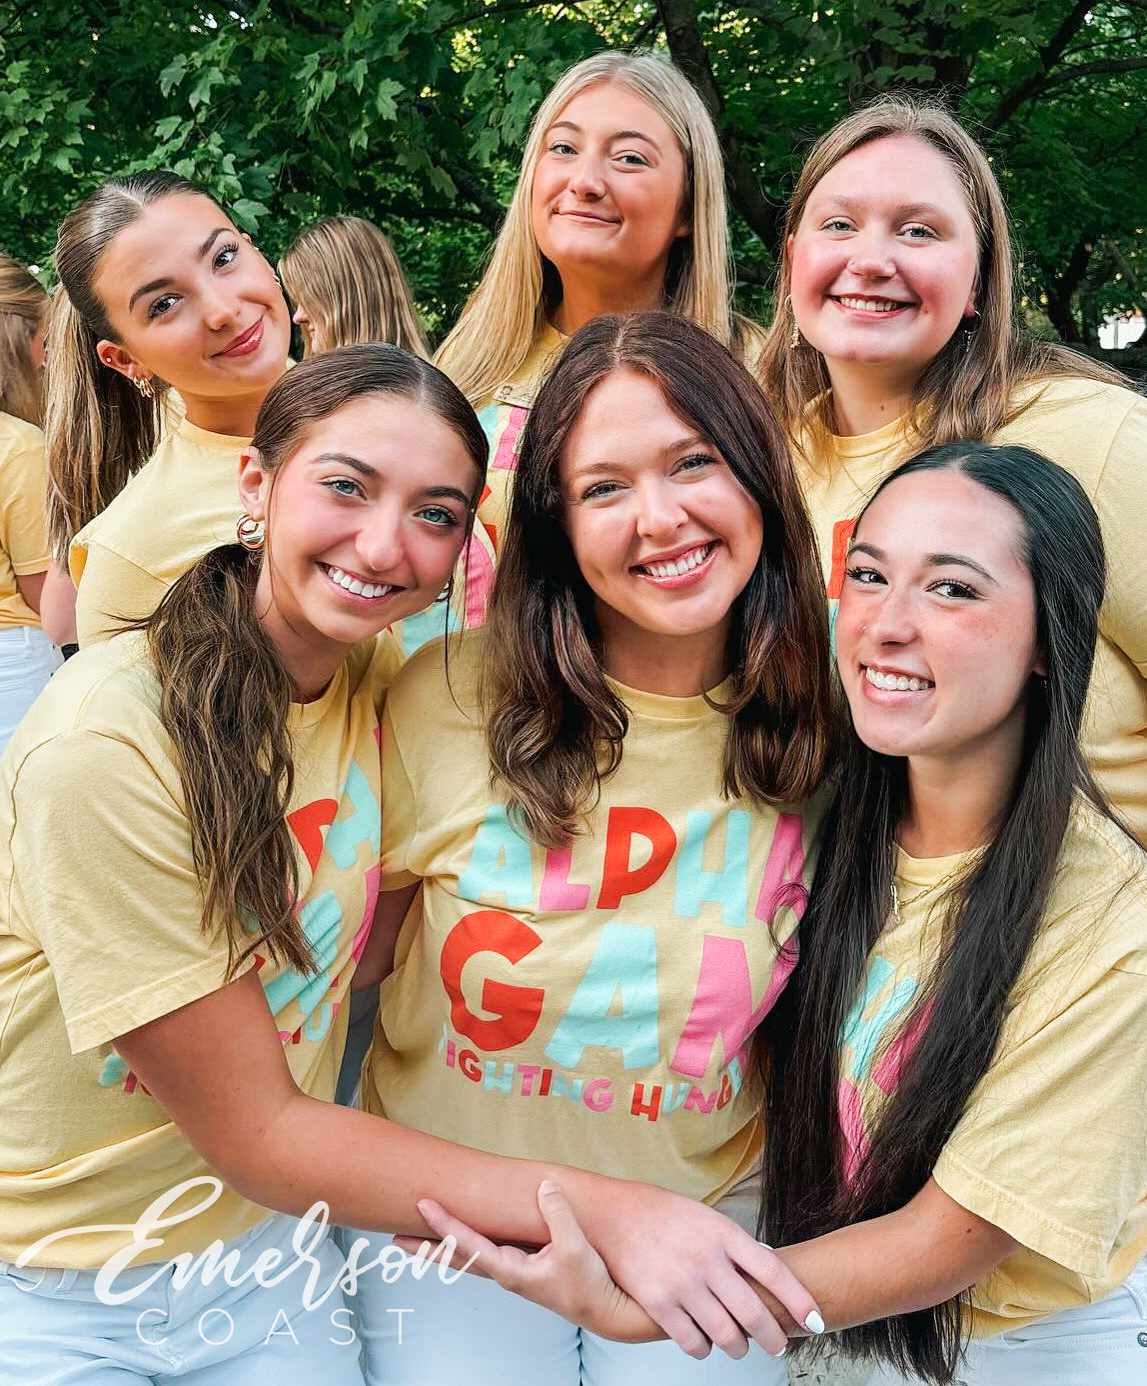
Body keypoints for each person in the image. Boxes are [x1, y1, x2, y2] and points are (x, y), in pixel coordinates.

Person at [0, 343, 821, 1383]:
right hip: (63, 1273)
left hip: (262, 1253)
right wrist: (615, 1207)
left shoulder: (375, 679)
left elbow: (384, 946)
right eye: (345, 485)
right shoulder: (108, 746)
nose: (384, 544)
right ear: (254, 483)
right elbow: (260, 1126)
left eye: (435, 512)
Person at [416, 442, 1147, 1385]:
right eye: (869, 574)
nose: (886, 624)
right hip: (823, 1323)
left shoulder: (1107, 922)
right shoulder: (825, 806)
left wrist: (639, 1306)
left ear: (1049, 639)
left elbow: (942, 1242)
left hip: (1015, 1348)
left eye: (953, 591)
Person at [347, 311, 837, 1385]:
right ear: (556, 523)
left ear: (757, 472)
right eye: (603, 487)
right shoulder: (444, 694)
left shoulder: (838, 710)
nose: (659, 518)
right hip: (450, 1225)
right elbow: (355, 962)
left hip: (705, 1209)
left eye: (692, 462)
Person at [755, 94, 1147, 836]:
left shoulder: (1085, 433)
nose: (869, 260)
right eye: (837, 224)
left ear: (976, 281)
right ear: (792, 259)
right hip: (867, 928)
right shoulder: (764, 466)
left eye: (917, 230)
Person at [434, 51, 766, 636]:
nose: (584, 182)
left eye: (630, 158)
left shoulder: (760, 376)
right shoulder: (456, 379)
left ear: (688, 207)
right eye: (562, 149)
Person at [44, 170, 293, 647]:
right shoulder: (133, 551)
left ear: (255, 250)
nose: (222, 309)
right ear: (125, 358)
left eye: (224, 258)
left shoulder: (385, 409)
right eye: (165, 304)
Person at [0, 254, 61, 748]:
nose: (46, 358)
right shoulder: (19, 447)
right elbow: (45, 596)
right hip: (13, 664)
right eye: (42, 339)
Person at [277, 214, 430, 359]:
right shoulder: (428, 381)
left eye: (310, 299)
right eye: (297, 303)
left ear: (350, 299)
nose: (298, 318)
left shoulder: (400, 384)